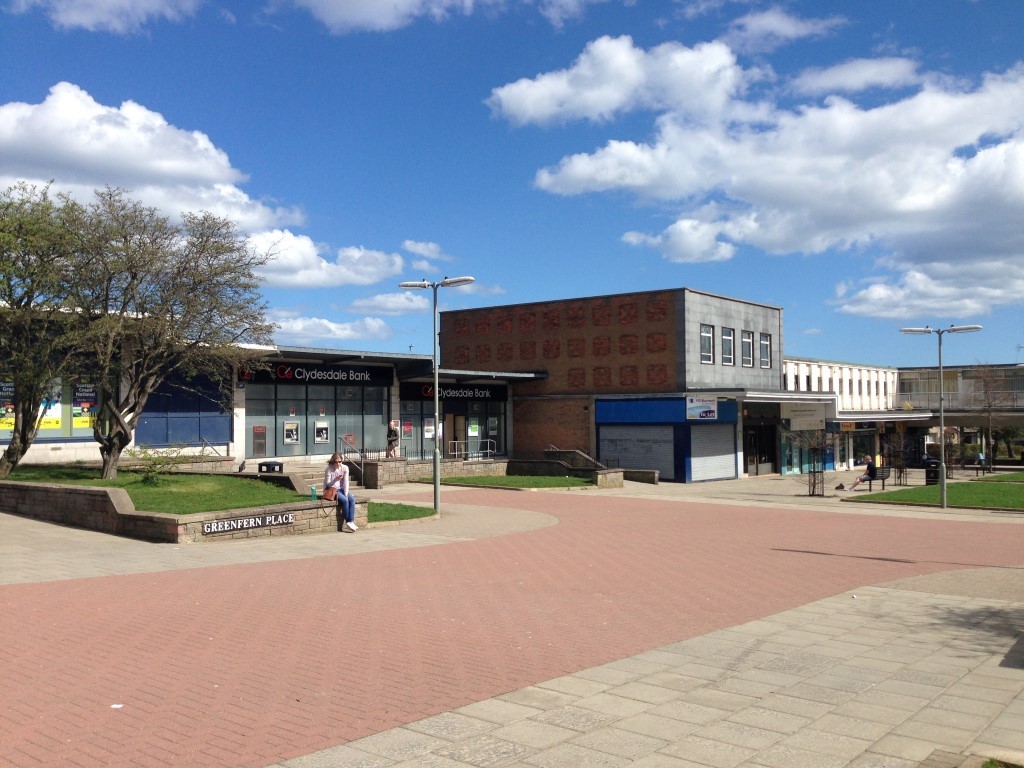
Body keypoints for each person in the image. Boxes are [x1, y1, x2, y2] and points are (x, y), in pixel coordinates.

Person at [324, 452, 357, 531]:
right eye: (336, 462)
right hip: (333, 490)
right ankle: (348, 521)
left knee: (352, 499)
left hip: (342, 489)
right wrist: (335, 479)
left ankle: (351, 521)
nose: (338, 464)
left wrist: (346, 492)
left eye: (340, 462)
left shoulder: (345, 468)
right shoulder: (329, 469)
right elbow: (328, 484)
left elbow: (346, 481)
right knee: (345, 501)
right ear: (332, 461)